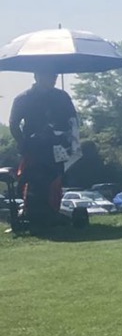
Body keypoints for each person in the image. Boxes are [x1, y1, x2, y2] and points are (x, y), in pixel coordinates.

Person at [9, 68, 80, 231]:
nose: (53, 79)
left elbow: (72, 119)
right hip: (34, 147)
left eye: (55, 76)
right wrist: (23, 143)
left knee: (55, 179)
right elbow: (14, 124)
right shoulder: (23, 98)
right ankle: (33, 212)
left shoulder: (61, 97)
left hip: (58, 145)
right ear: (37, 76)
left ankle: (53, 211)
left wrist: (66, 137)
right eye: (49, 76)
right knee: (34, 180)